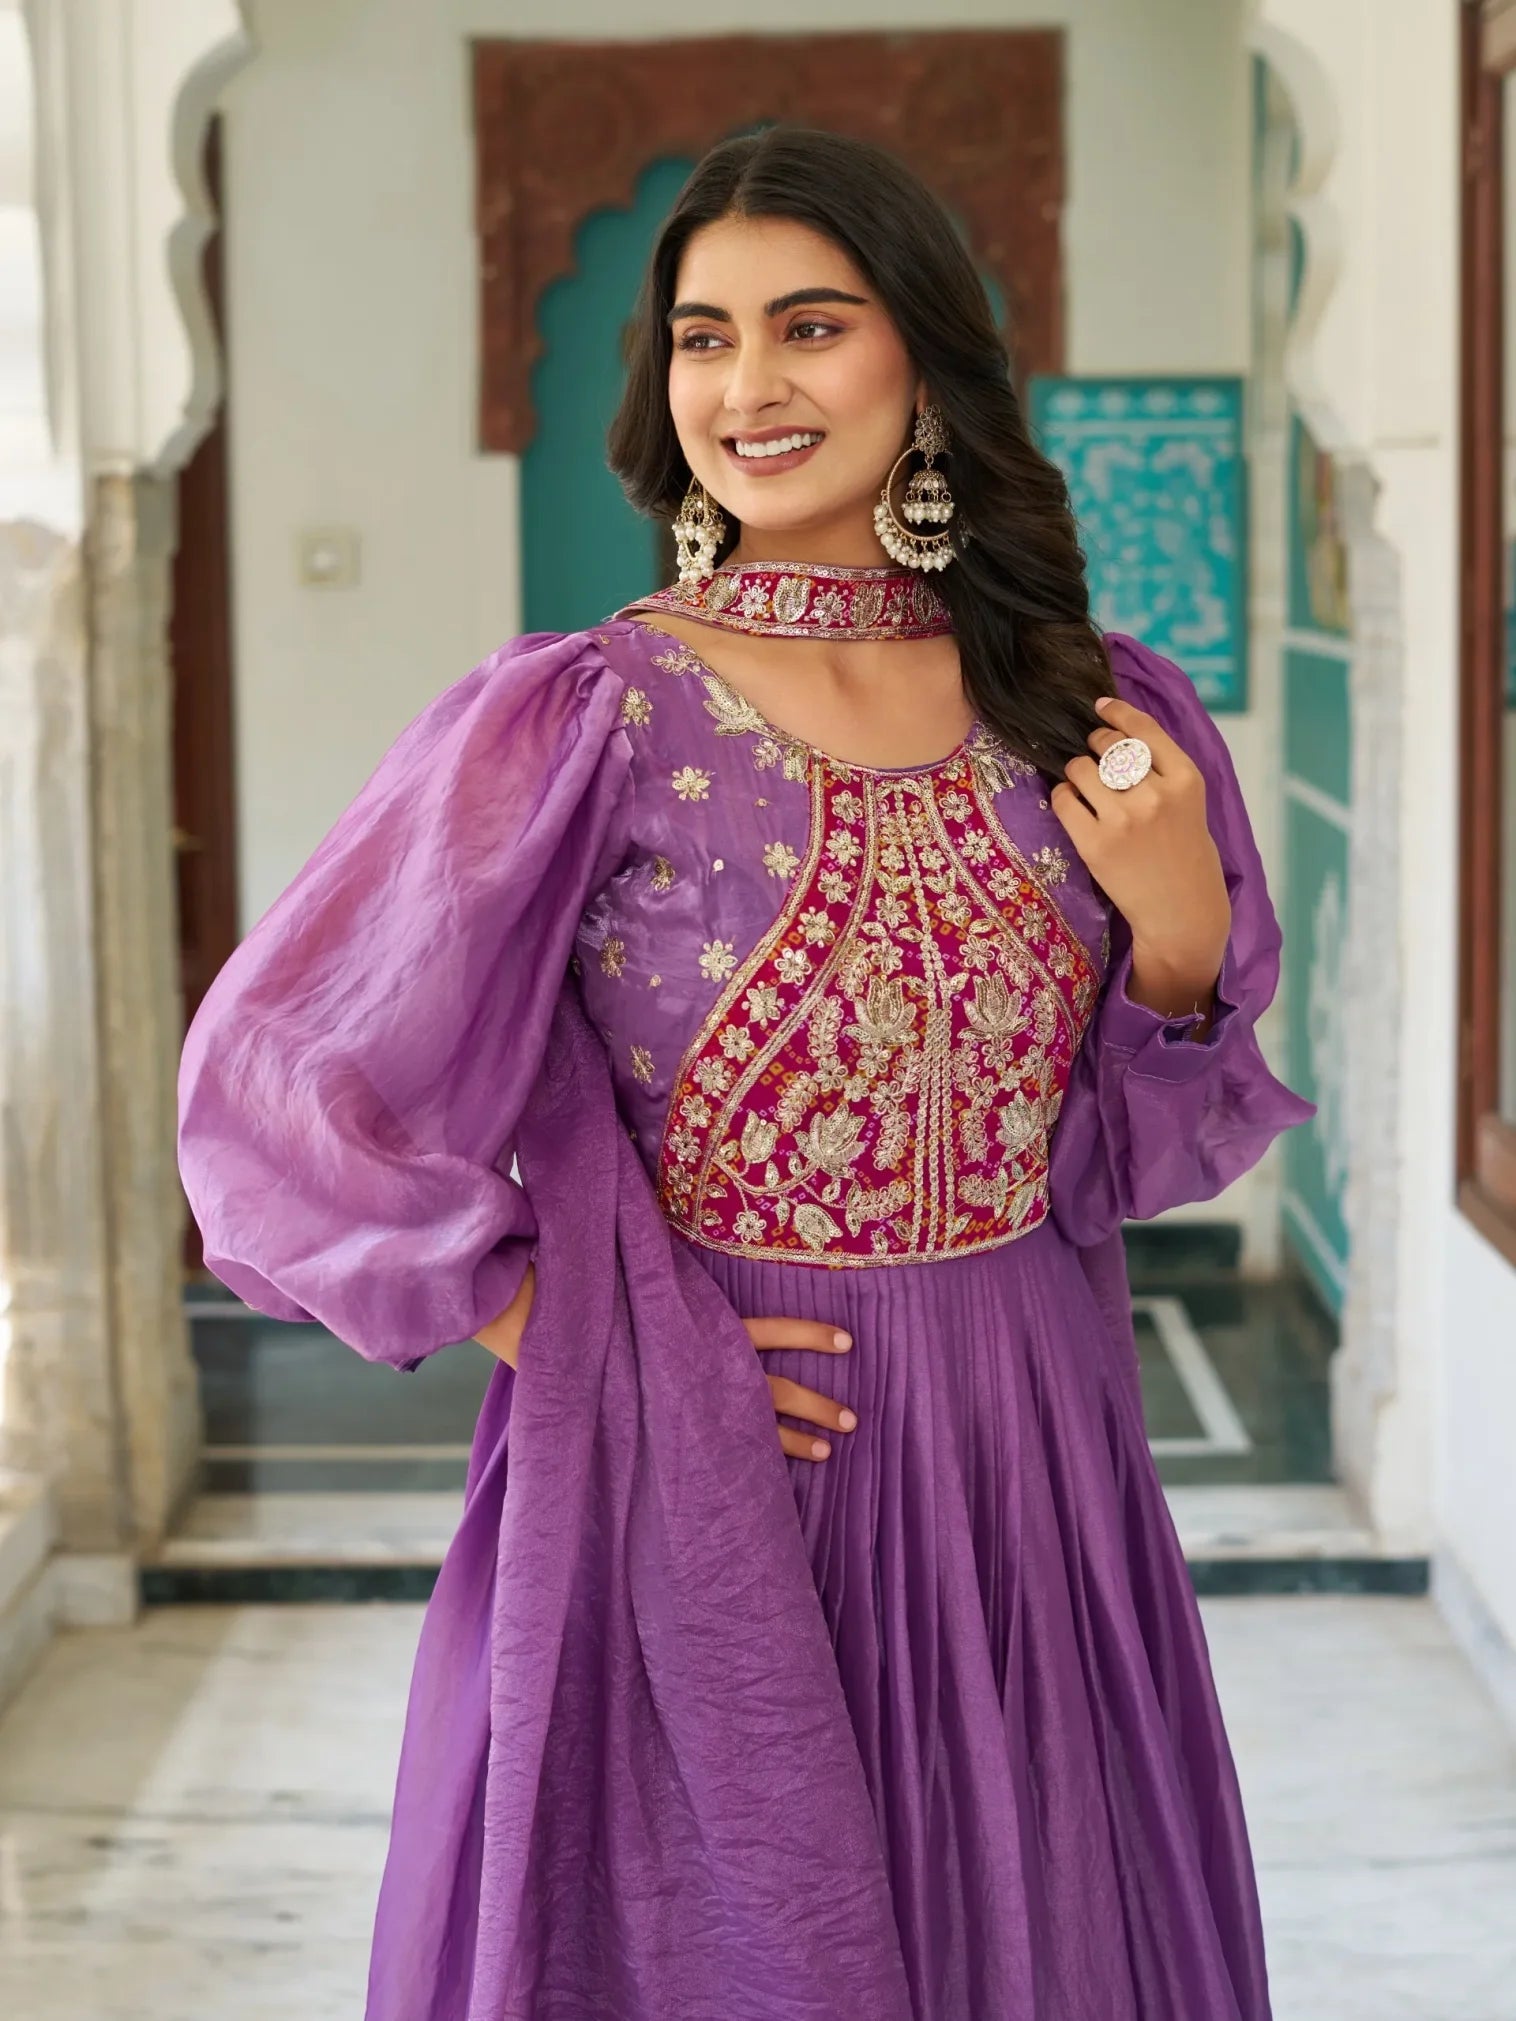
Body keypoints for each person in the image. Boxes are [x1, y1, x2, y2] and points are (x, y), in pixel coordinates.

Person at [179, 125, 1314, 2021]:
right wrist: (563, 1321)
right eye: (704, 338)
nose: (749, 387)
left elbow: (1144, 1151)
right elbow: (273, 1081)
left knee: (1028, 1930)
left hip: (1032, 1449)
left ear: (924, 363)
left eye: (810, 326)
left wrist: (1179, 929)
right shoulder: (588, 716)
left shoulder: (1091, 708)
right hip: (718, 1461)